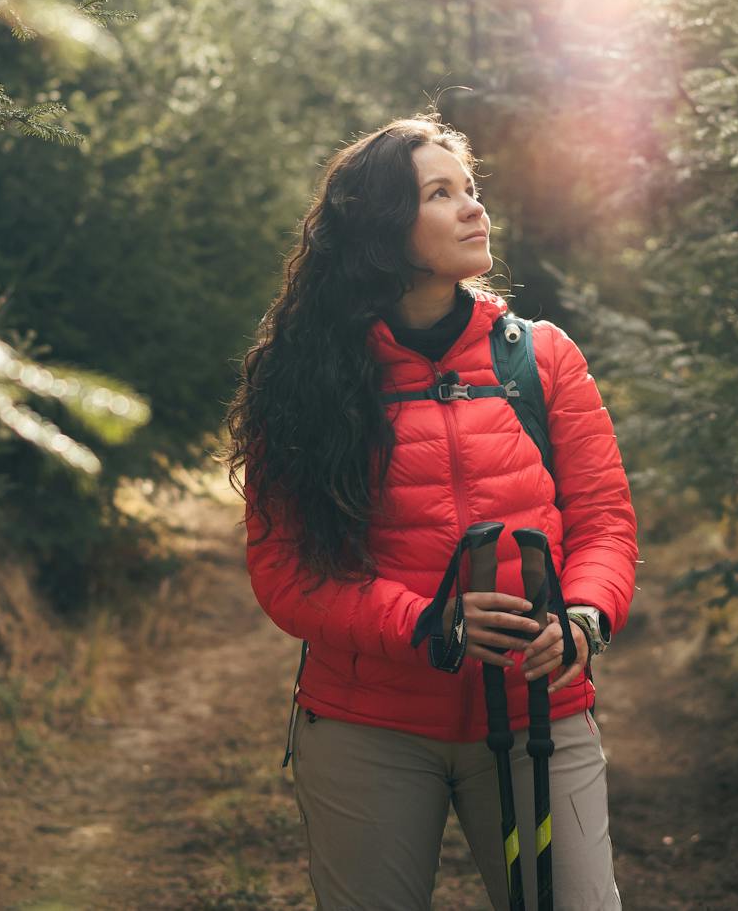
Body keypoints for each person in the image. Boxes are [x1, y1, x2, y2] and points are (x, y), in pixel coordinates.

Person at [225, 115, 638, 911]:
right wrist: (429, 625)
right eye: (440, 194)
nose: (474, 208)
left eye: (472, 189)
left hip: (537, 715)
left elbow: (605, 522)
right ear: (382, 227)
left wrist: (584, 617)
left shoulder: (541, 357)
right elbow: (285, 572)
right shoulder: (306, 378)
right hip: (367, 725)